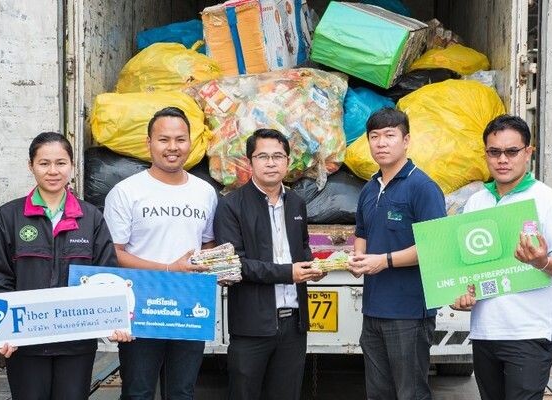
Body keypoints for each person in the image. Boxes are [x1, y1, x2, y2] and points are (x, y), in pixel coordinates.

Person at [0, 131, 129, 400]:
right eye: (44, 163)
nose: (53, 171)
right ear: (31, 166)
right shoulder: (10, 215)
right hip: (24, 344)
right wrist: (0, 331)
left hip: (76, 345)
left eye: (61, 163)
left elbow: (107, 275)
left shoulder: (91, 217)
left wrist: (116, 317)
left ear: (72, 166)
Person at [453, 115, 552, 400]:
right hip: (485, 333)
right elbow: (466, 268)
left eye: (511, 151)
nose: (502, 160)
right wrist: (459, 295)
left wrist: (540, 261)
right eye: (494, 152)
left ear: (528, 153)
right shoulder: (476, 202)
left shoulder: (548, 200)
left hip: (529, 334)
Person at [104, 107, 218, 400]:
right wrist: (168, 269)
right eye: (163, 139)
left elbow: (207, 245)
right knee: (138, 392)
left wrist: (214, 265)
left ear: (190, 143)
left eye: (180, 139)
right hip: (141, 308)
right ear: (149, 143)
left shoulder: (205, 192)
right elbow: (113, 253)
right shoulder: (126, 191)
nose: (172, 147)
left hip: (189, 308)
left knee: (182, 392)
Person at [213, 128, 324, 400]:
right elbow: (235, 264)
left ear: (288, 161)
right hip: (252, 325)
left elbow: (302, 247)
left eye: (278, 156)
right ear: (249, 162)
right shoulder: (231, 205)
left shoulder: (296, 203)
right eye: (262, 156)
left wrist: (312, 268)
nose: (271, 162)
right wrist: (290, 273)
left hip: (294, 325)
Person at [348, 109, 445, 400]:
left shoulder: (423, 187)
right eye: (374, 137)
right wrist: (357, 258)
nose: (381, 143)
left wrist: (384, 261)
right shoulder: (369, 189)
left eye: (390, 135)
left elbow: (435, 246)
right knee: (378, 393)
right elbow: (362, 232)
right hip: (373, 309)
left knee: (410, 393)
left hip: (409, 312)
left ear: (406, 141)